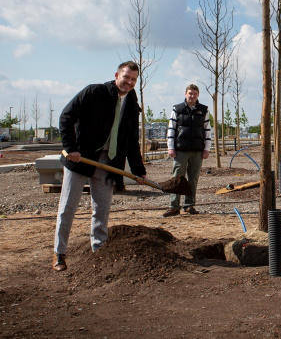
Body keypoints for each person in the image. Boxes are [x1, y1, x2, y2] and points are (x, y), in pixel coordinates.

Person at [53, 61, 145, 271]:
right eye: (126, 77)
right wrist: (71, 147)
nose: (129, 82)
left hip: (108, 161)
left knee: (101, 209)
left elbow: (131, 139)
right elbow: (66, 117)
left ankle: (99, 250)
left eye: (133, 80)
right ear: (116, 75)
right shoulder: (94, 92)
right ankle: (59, 253)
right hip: (80, 159)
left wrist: (138, 171)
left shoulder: (131, 102)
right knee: (68, 207)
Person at [162, 84, 212, 217]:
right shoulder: (177, 109)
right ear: (185, 94)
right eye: (190, 93)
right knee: (177, 178)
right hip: (180, 150)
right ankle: (174, 206)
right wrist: (170, 147)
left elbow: (207, 130)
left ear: (198, 95)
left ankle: (189, 205)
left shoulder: (204, 110)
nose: (192, 96)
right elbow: (171, 129)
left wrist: (207, 148)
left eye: (195, 94)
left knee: (193, 179)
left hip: (197, 151)